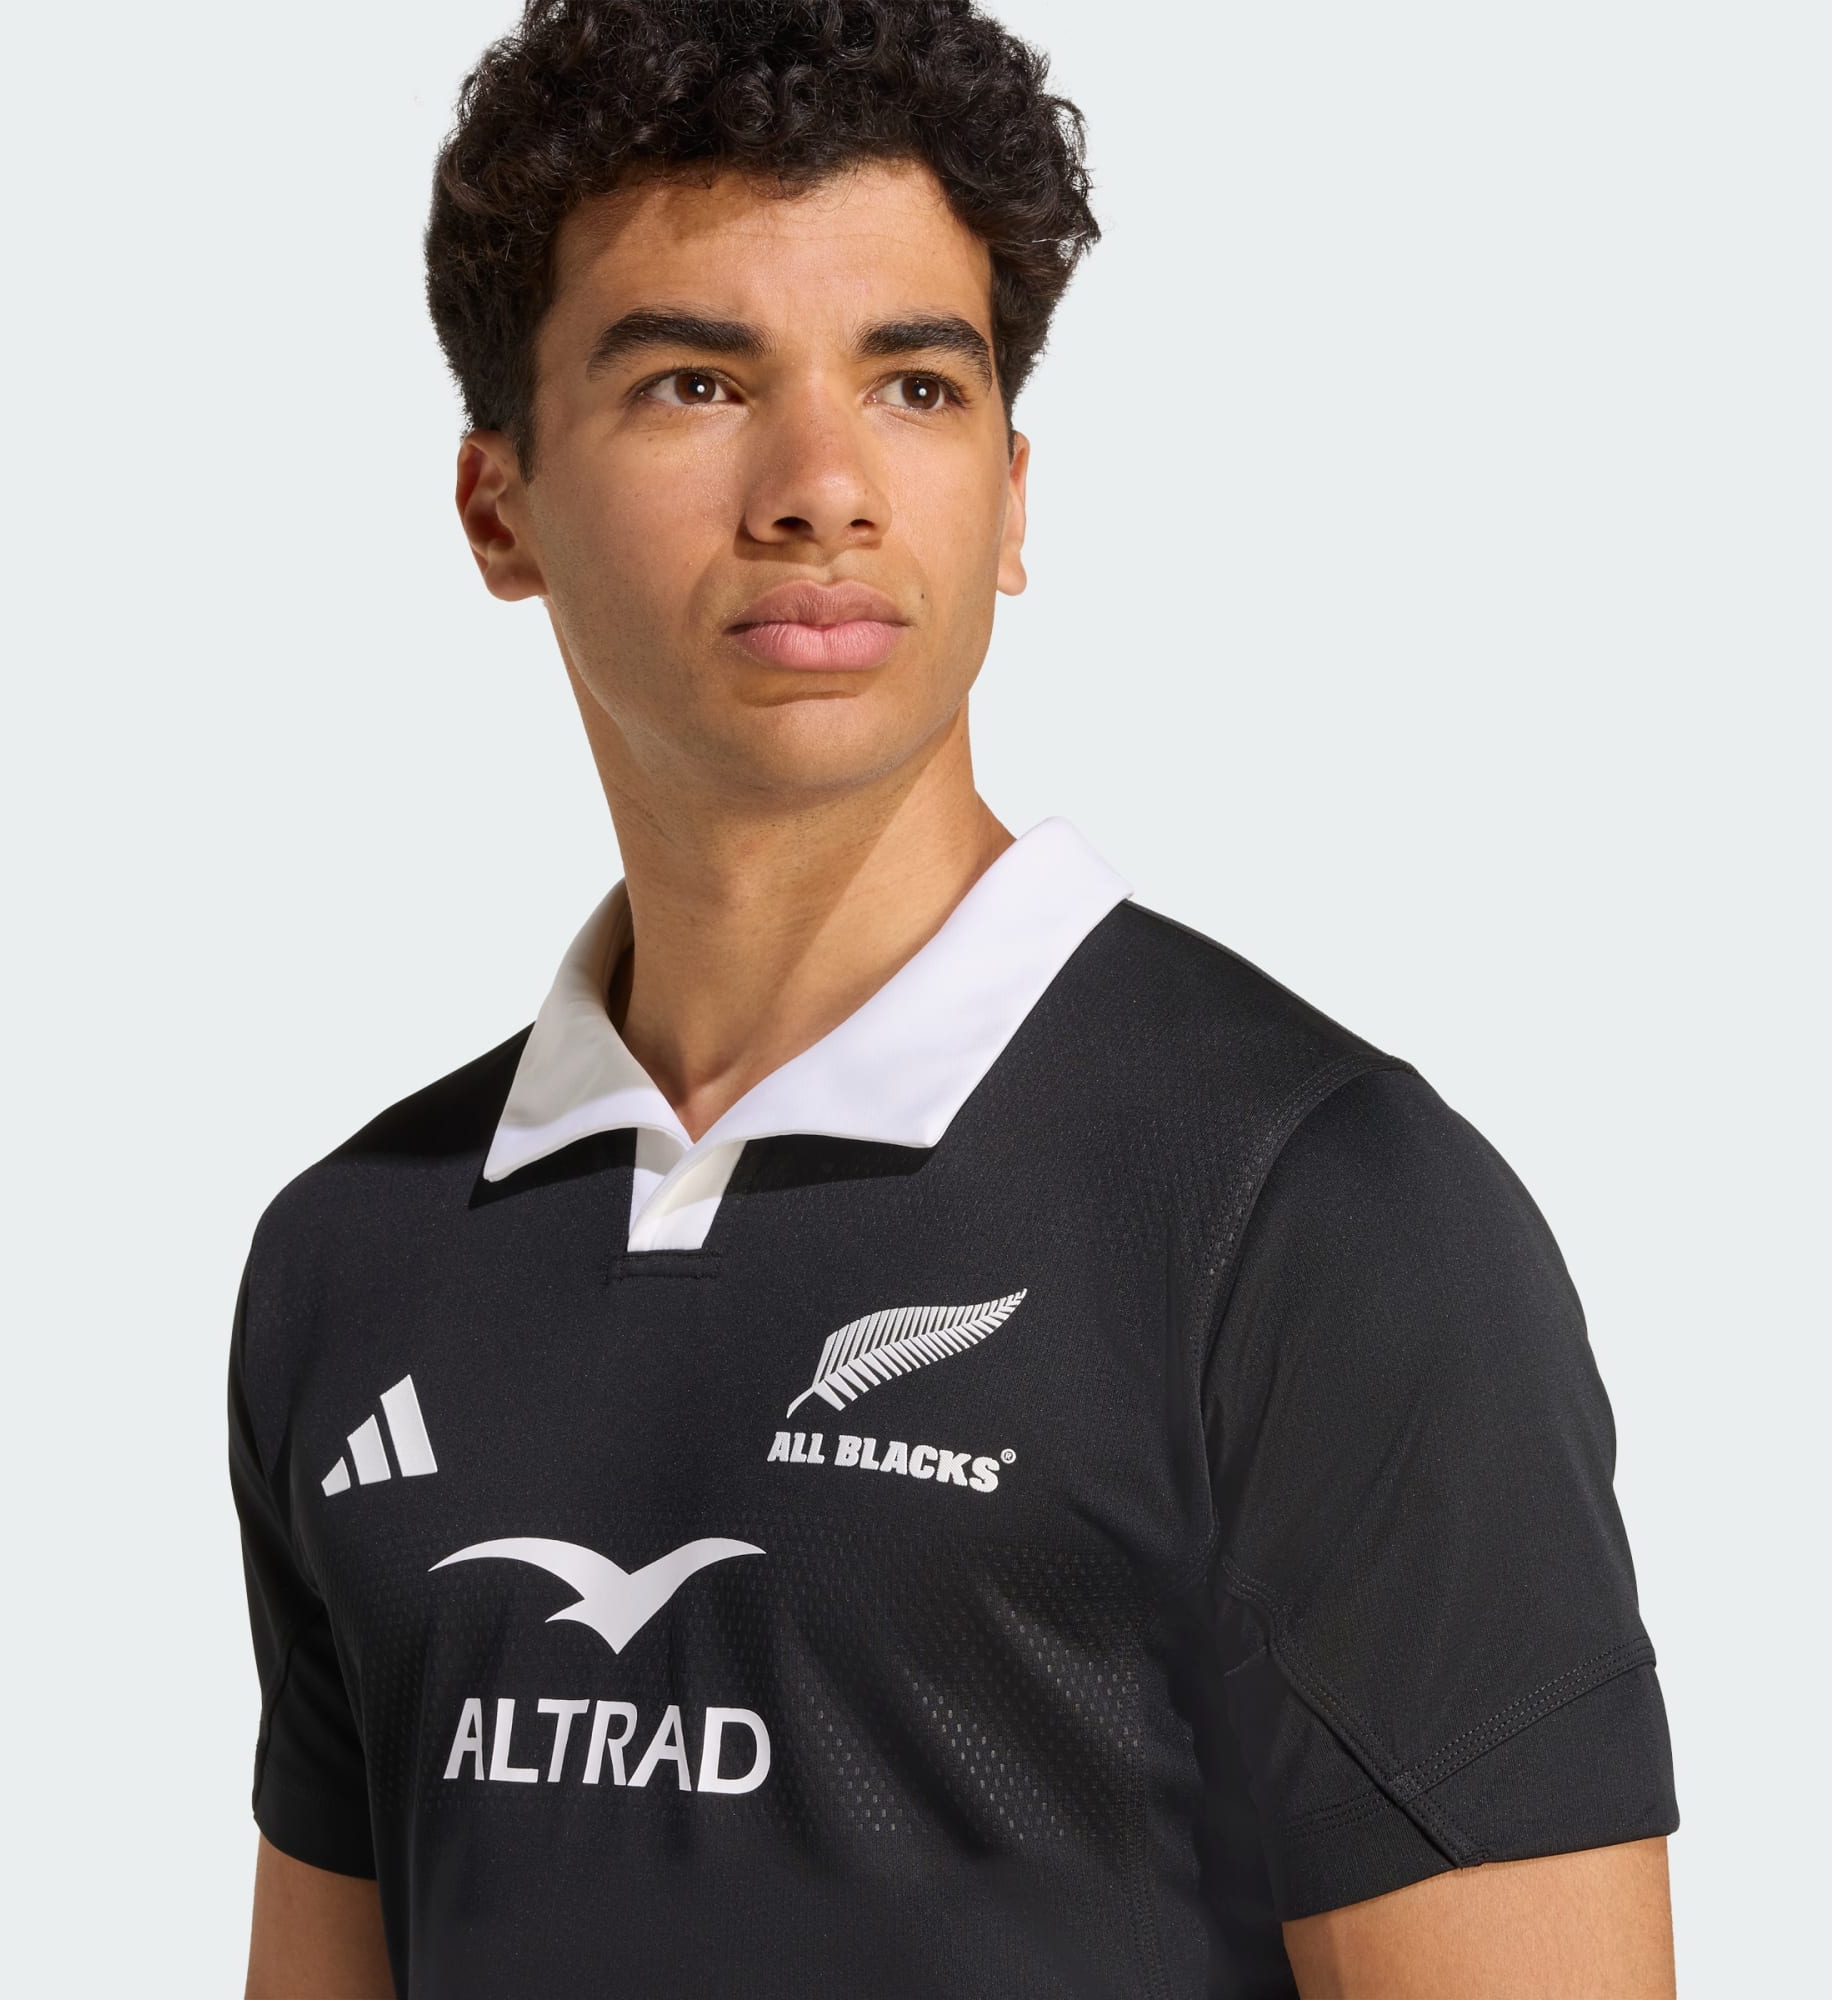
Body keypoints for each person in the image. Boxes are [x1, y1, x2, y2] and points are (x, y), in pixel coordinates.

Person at [226, 2, 1679, 1993]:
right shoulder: (354, 1256)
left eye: (914, 384)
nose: (821, 487)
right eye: (691, 381)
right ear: (500, 508)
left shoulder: (1306, 1214)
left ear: (1009, 495)